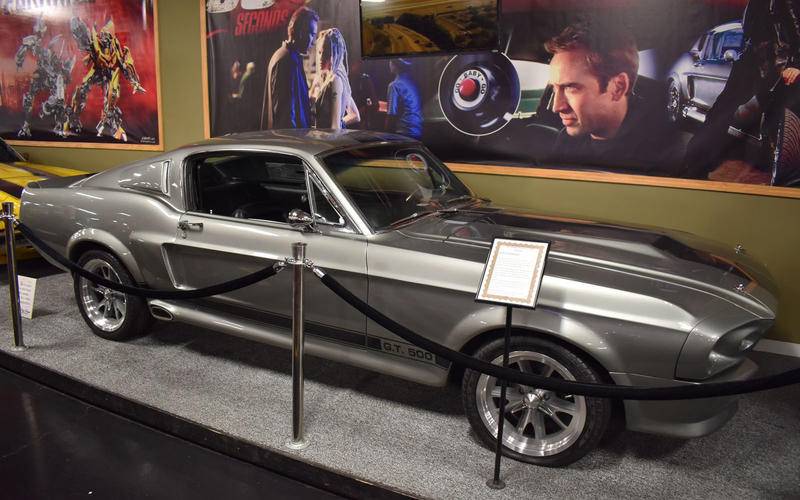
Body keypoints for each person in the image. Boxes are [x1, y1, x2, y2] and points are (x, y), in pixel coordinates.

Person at [545, 23, 685, 177]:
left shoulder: (663, 152)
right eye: (554, 89)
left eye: (571, 88)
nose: (556, 106)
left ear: (618, 87)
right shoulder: (566, 141)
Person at [685, 0, 800, 180]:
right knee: (721, 112)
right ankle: (692, 167)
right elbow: (754, 30)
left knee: (778, 126)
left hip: (779, 64)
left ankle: (779, 182)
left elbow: (793, 29)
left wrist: (796, 64)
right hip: (754, 58)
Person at [260, 6, 318, 129]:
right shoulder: (287, 60)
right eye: (312, 34)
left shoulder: (287, 56)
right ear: (301, 32)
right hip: (290, 142)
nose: (313, 42)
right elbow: (285, 115)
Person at [309, 28, 360, 129]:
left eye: (326, 53)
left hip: (327, 141)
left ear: (336, 54)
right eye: (319, 52)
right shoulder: (322, 78)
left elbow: (334, 127)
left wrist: (338, 125)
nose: (321, 57)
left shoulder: (335, 81)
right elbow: (355, 115)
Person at [385, 58, 423, 139]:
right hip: (418, 130)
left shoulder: (394, 85)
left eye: (390, 61)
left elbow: (392, 114)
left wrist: (385, 134)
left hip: (403, 132)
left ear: (395, 65)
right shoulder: (413, 82)